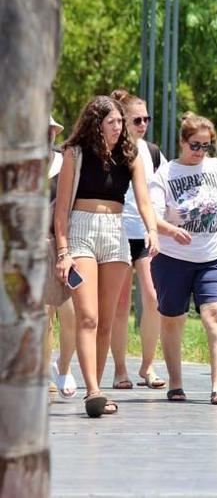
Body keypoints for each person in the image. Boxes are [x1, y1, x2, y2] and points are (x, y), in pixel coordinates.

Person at [54, 96, 161, 418]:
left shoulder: (130, 155)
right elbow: (61, 211)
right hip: (81, 231)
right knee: (87, 316)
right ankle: (93, 391)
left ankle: (97, 388)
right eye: (112, 122)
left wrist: (152, 229)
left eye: (120, 122)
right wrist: (62, 252)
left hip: (115, 233)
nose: (119, 127)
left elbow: (143, 200)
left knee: (106, 317)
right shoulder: (74, 153)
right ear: (96, 124)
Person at [149, 113, 217, 405]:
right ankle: (176, 383)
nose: (200, 152)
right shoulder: (165, 175)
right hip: (172, 258)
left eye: (206, 146)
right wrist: (172, 230)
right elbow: (152, 217)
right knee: (172, 320)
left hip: (214, 256)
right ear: (182, 142)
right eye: (195, 145)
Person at [108, 89, 166, 390]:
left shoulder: (152, 152)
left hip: (144, 233)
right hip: (116, 233)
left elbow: (165, 189)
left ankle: (147, 365)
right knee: (120, 305)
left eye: (147, 119)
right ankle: (119, 370)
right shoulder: (111, 150)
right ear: (122, 121)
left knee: (153, 298)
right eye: (137, 119)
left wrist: (163, 227)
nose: (143, 124)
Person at [44, 115, 77, 399]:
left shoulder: (64, 162)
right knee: (43, 314)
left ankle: (63, 367)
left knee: (71, 313)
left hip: (62, 244)